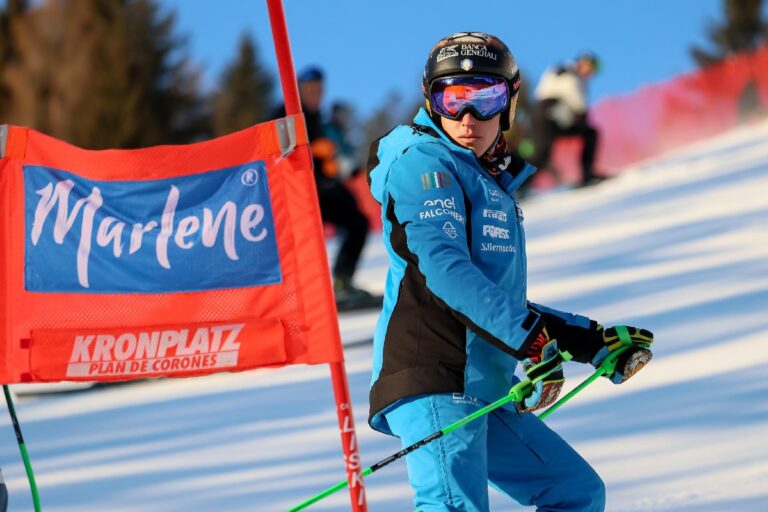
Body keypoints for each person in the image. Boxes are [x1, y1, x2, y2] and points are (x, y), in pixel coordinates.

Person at [366, 32, 654, 511]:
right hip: (435, 375)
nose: (468, 116)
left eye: (486, 97)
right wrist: (532, 339)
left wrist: (587, 340)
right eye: (452, 98)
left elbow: (493, 295)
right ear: (431, 101)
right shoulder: (424, 162)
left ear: (511, 100)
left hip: (483, 386)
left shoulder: (489, 181)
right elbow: (446, 271)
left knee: (574, 492)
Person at [276, 66, 380, 311]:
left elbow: (336, 160)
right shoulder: (285, 114)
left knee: (357, 221)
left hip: (321, 190)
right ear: (299, 91)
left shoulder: (321, 121)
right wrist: (310, 149)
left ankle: (342, 281)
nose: (315, 94)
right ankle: (292, 292)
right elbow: (278, 154)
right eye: (309, 90)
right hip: (296, 194)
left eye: (319, 90)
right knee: (299, 241)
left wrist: (340, 164)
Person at [530, 51, 604, 187]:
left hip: (551, 115)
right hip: (548, 113)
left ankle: (587, 174)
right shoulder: (569, 72)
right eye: (591, 67)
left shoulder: (571, 74)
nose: (591, 72)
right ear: (583, 62)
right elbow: (577, 103)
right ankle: (519, 186)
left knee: (589, 134)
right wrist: (581, 115)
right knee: (542, 151)